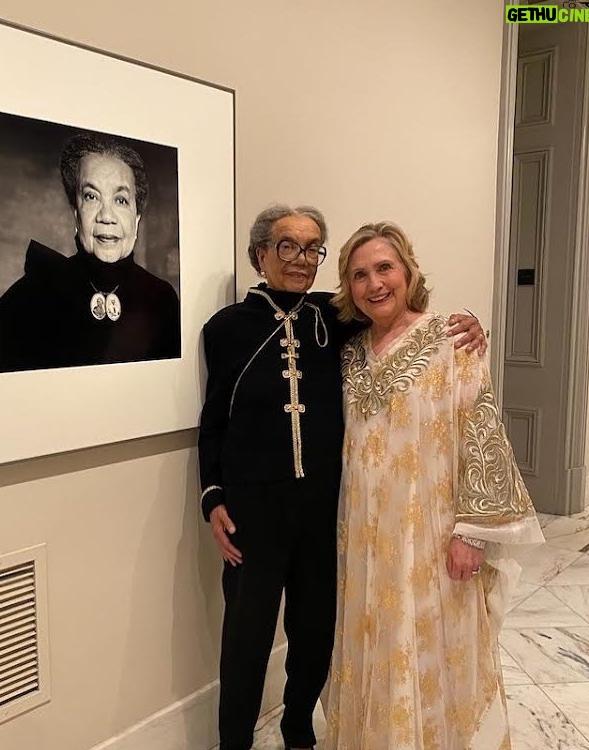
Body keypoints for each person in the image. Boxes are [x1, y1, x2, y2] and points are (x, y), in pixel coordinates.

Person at [197, 206, 486, 750]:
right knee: (245, 640)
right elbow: (213, 422)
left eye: (311, 248)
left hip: (326, 515)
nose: (300, 259)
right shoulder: (226, 330)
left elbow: (404, 319)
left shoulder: (336, 320)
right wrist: (212, 497)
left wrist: (469, 322)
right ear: (260, 254)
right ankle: (233, 741)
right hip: (252, 517)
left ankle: (298, 727)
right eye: (286, 246)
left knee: (315, 636)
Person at [323, 221, 544, 749]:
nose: (374, 284)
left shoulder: (451, 340)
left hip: (431, 536)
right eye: (359, 275)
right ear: (347, 287)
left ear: (408, 271)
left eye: (385, 268)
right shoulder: (348, 352)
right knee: (372, 643)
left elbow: (480, 430)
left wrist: (471, 531)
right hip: (362, 540)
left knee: (431, 644)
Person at [0, 133, 180, 378]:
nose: (107, 216)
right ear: (76, 213)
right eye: (91, 196)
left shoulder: (163, 300)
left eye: (121, 200)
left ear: (136, 218)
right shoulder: (37, 291)